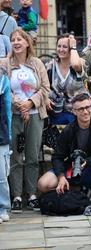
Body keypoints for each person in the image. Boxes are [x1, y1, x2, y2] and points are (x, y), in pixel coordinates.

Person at [38, 93, 91, 216]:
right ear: (74, 111)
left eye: (88, 107)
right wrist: (61, 177)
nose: (85, 112)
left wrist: (89, 161)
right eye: (81, 109)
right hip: (71, 166)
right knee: (43, 184)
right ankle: (77, 193)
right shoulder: (69, 130)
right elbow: (57, 156)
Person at [0, 28, 50, 213]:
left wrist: (30, 103)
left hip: (36, 114)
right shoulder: (5, 64)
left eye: (20, 39)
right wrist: (19, 104)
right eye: (13, 39)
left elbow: (46, 88)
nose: (16, 42)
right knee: (14, 156)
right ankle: (17, 196)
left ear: (27, 43)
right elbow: (3, 87)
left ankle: (32, 194)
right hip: (13, 115)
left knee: (32, 156)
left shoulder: (37, 63)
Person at [46, 33, 86, 125]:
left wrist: (73, 47)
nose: (61, 49)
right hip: (54, 115)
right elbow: (43, 86)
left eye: (65, 47)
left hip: (76, 115)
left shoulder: (80, 63)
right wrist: (45, 98)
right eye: (59, 46)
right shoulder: (50, 66)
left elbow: (76, 65)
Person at [0, 68, 11, 223]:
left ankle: (3, 207)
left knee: (1, 176)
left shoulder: (3, 80)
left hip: (0, 134)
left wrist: (7, 134)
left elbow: (7, 109)